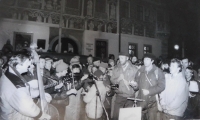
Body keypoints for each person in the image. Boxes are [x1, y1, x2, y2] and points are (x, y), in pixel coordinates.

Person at [0, 53, 51, 120]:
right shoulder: (15, 85)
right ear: (18, 66)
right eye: (27, 63)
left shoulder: (9, 74)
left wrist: (40, 93)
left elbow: (26, 91)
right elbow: (28, 108)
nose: (30, 65)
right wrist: (42, 115)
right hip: (13, 117)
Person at [131, 53, 165, 120]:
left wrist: (149, 91)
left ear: (152, 61)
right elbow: (137, 86)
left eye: (147, 59)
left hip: (152, 103)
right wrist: (135, 86)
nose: (145, 61)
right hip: (140, 101)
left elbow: (162, 86)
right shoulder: (140, 71)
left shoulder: (158, 71)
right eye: (144, 59)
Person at [110, 52, 138, 120]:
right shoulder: (116, 68)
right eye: (119, 58)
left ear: (127, 58)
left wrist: (135, 86)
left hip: (130, 96)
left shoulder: (134, 69)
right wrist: (118, 79)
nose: (120, 59)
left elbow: (138, 84)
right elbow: (112, 81)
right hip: (119, 95)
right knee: (116, 116)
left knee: (128, 117)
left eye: (122, 58)